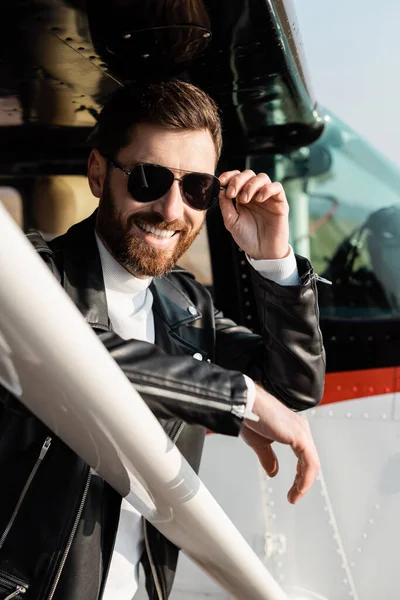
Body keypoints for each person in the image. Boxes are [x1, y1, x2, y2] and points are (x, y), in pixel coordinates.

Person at [0, 80, 325, 600]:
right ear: (98, 173)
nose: (173, 210)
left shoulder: (189, 306)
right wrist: (235, 398)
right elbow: (75, 356)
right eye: (150, 179)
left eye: (196, 187)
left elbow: (292, 390)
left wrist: (275, 262)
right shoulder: (30, 279)